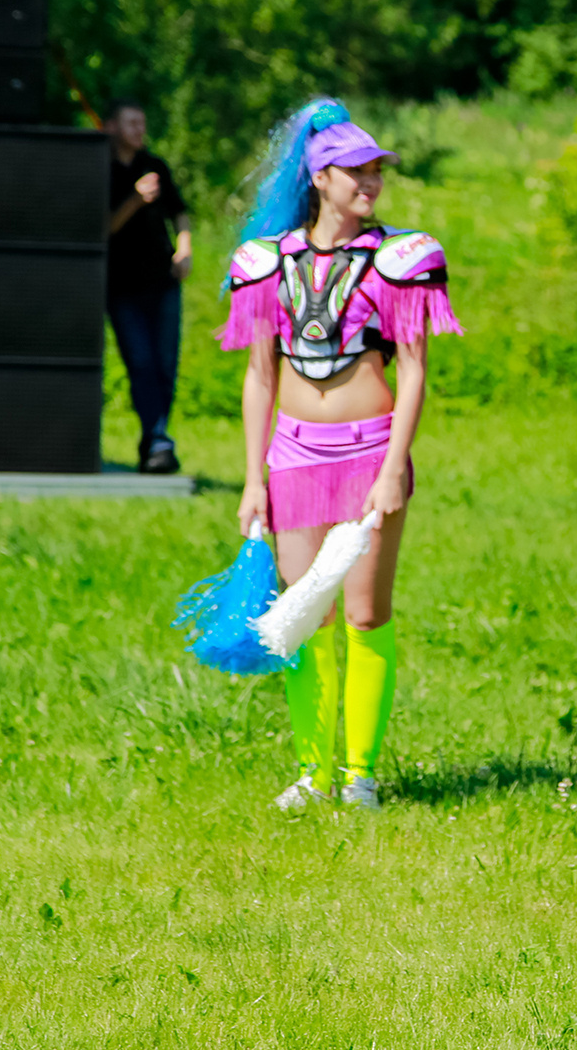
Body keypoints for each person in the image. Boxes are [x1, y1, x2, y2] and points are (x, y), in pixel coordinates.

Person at [219, 99, 460, 810]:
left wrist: (393, 468)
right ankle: (310, 770)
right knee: (302, 615)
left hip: (369, 453)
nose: (370, 180)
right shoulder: (266, 262)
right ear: (319, 177)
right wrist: (251, 479)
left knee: (363, 614)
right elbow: (260, 376)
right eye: (355, 169)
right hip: (292, 457)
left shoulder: (400, 259)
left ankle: (359, 774)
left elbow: (415, 371)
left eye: (376, 168)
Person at [104, 100, 194, 475]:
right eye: (131, 123)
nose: (140, 130)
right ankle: (157, 441)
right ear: (111, 127)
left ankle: (155, 439)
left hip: (164, 282)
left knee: (165, 365)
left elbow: (180, 210)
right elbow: (105, 227)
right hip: (121, 286)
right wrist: (136, 200)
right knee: (140, 362)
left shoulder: (155, 165)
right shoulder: (103, 169)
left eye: (143, 123)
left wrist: (185, 248)